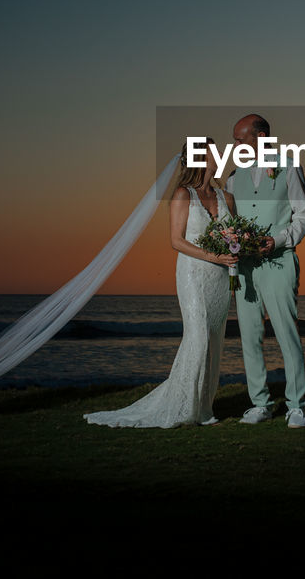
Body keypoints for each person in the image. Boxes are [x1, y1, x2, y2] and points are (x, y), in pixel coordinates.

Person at [84, 140, 238, 428]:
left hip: (220, 278)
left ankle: (204, 407)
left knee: (215, 342)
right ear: (198, 158)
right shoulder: (183, 195)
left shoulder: (227, 198)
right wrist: (214, 255)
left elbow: (235, 236)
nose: (219, 156)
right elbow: (176, 241)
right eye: (213, 153)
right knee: (198, 337)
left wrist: (233, 253)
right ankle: (183, 408)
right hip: (193, 274)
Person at [226, 113, 305, 428]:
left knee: (287, 334)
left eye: (239, 138)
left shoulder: (289, 166)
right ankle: (260, 403)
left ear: (260, 137)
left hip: (280, 263)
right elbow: (229, 223)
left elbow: (304, 215)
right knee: (249, 336)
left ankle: (296, 406)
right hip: (245, 270)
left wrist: (277, 240)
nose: (234, 145)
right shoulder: (234, 178)